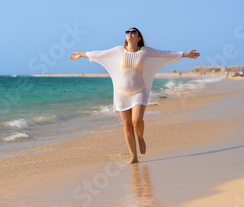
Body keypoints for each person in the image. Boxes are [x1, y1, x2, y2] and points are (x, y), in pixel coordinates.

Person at [69, 27, 200, 164]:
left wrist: (185, 54)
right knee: (127, 126)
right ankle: (134, 157)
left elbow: (165, 54)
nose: (129, 34)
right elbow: (100, 54)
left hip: (140, 91)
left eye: (133, 32)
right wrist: (81, 54)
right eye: (128, 32)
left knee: (137, 120)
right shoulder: (119, 51)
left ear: (138, 38)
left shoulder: (145, 52)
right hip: (121, 93)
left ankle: (140, 138)